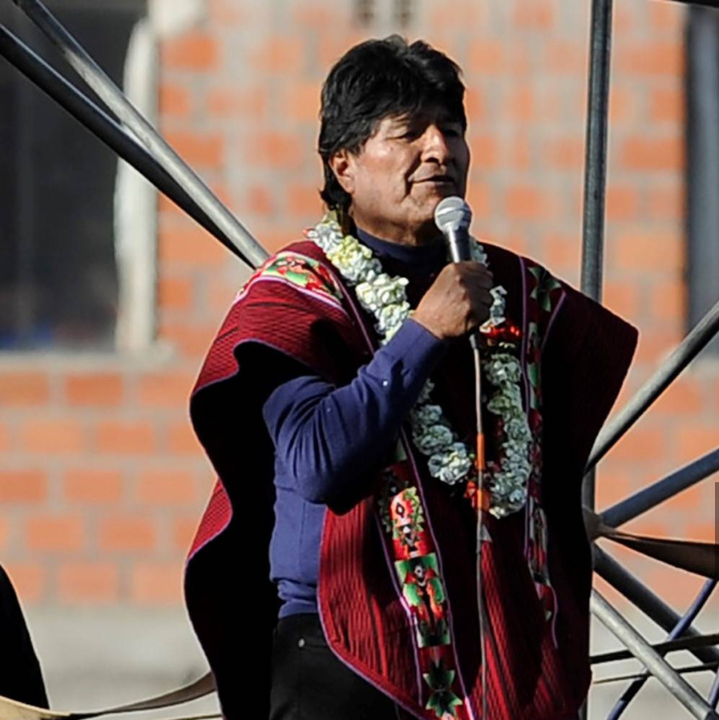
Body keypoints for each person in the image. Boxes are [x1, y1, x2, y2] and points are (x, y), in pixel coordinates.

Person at [183, 36, 637, 720]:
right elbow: (319, 463)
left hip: (490, 646)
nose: (439, 151)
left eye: (451, 130)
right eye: (409, 134)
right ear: (344, 164)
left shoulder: (513, 291)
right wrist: (424, 332)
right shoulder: (297, 296)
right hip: (345, 651)